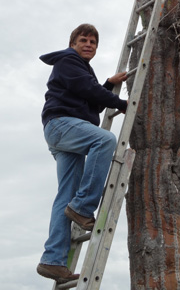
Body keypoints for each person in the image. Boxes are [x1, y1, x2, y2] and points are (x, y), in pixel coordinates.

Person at [36, 24, 128, 284]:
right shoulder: (68, 61)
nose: (89, 44)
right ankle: (83, 206)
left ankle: (52, 260)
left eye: (93, 42)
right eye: (83, 40)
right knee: (105, 140)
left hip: (65, 132)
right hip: (62, 125)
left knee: (64, 195)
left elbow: (91, 99)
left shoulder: (80, 68)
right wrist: (122, 103)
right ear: (73, 43)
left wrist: (108, 85)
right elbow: (87, 90)